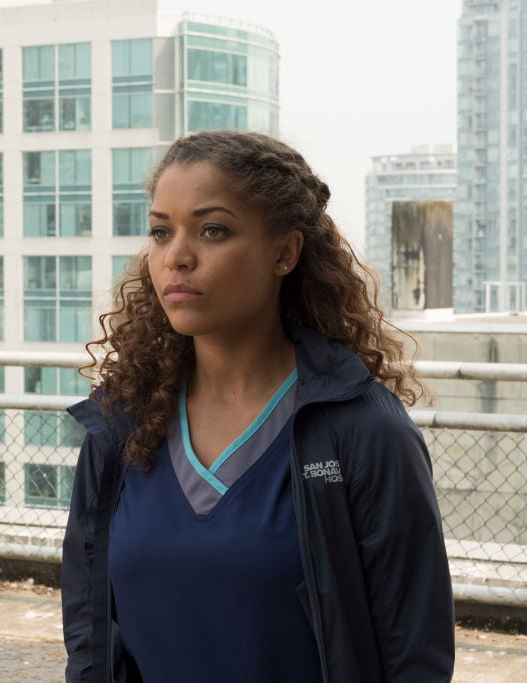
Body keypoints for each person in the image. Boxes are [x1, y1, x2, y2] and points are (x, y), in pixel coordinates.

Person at [61, 131, 455, 682]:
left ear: (285, 252)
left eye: (213, 230)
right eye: (160, 231)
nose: (177, 256)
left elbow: (415, 655)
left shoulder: (361, 430)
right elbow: (90, 629)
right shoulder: (121, 425)